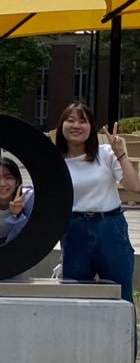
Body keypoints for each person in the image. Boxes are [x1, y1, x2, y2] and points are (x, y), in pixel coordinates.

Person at [55, 103, 140, 302]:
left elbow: (134, 186)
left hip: (109, 227)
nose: (76, 125)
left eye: (83, 121)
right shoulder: (55, 161)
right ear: (61, 126)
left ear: (92, 127)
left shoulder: (105, 153)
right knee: (75, 297)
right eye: (70, 120)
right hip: (74, 229)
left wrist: (119, 152)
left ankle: (123, 334)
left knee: (120, 295)